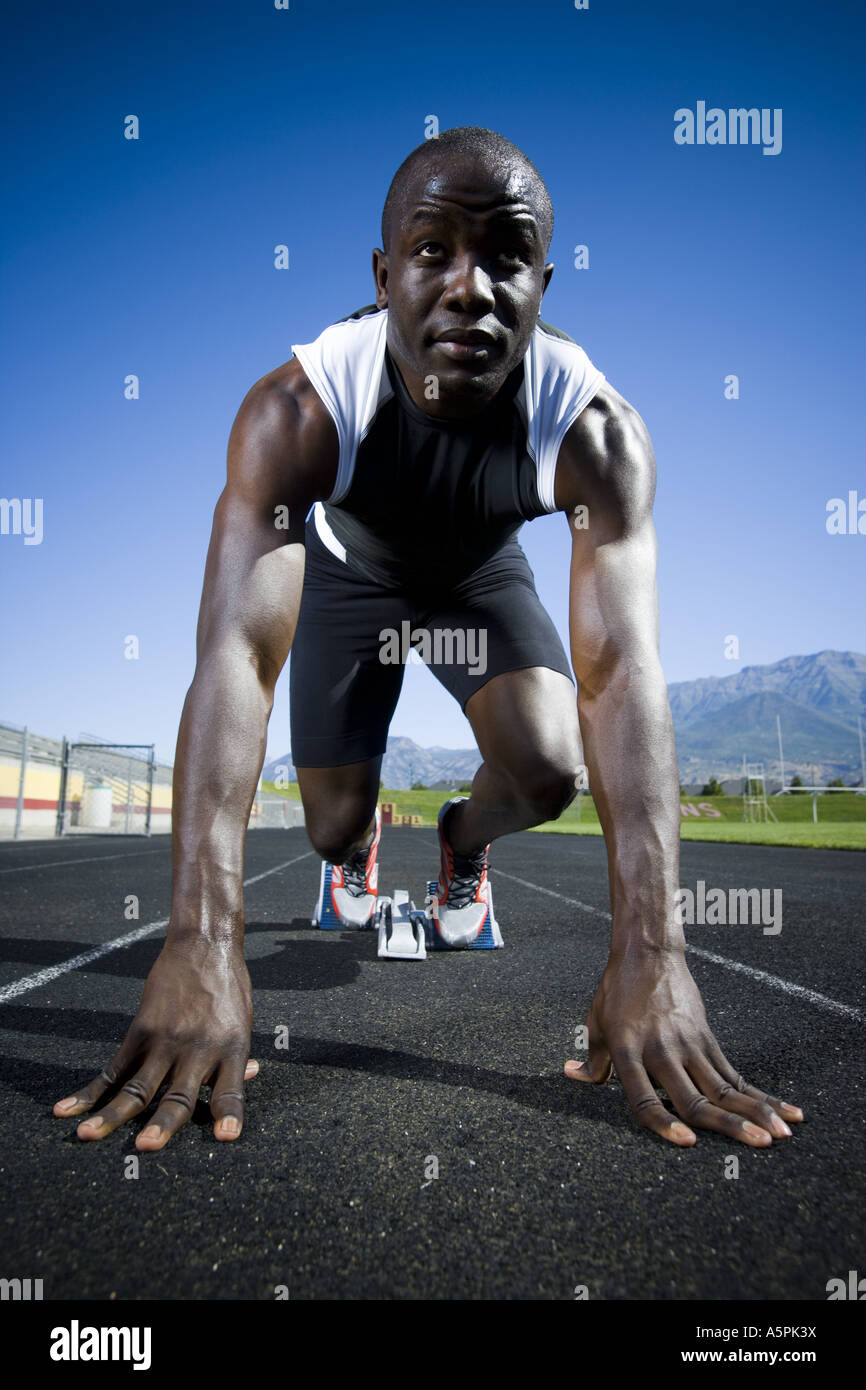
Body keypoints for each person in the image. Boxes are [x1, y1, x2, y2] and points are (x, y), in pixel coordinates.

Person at [54, 126, 802, 1151]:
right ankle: (351, 851)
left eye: (503, 256)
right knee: (327, 825)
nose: (467, 287)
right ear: (383, 272)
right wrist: (199, 937)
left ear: (542, 281)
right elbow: (235, 654)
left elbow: (621, 670)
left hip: (475, 584)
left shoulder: (594, 431)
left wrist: (653, 954)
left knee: (546, 770)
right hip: (348, 583)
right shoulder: (298, 410)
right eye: (431, 251)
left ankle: (457, 843)